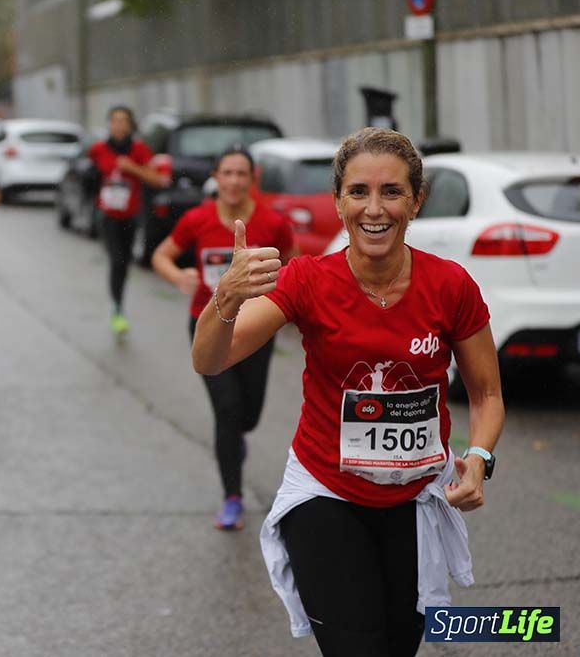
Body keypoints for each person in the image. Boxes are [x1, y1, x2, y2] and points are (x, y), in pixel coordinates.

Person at [191, 127, 504, 656]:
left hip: (415, 500)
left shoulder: (451, 285)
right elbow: (210, 359)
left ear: (416, 201)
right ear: (338, 201)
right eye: (358, 191)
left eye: (392, 192)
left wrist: (478, 457)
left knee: (399, 644)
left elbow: (486, 395)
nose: (374, 209)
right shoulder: (307, 279)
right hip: (325, 493)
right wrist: (227, 294)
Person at [153, 147, 297, 530]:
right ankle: (232, 497)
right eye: (227, 173)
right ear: (215, 177)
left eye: (241, 173)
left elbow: (294, 264)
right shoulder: (196, 219)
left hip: (256, 327)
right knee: (227, 409)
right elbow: (161, 255)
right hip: (210, 324)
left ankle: (236, 439)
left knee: (248, 415)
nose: (233, 181)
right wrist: (178, 276)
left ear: (252, 179)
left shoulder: (272, 222)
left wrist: (286, 299)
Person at [88, 106, 170, 335]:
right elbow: (91, 174)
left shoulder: (139, 150)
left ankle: (119, 302)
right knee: (116, 260)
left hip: (131, 216)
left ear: (130, 125)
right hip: (107, 216)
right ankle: (117, 309)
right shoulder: (98, 149)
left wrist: (132, 168)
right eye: (115, 120)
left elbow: (159, 180)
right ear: (109, 124)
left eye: (123, 120)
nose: (119, 125)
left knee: (124, 263)